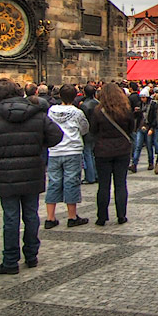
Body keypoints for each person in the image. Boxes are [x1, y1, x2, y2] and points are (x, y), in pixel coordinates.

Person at [0, 79, 64, 274]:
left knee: (10, 217)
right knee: (31, 214)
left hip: (5, 171)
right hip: (32, 169)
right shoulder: (36, 112)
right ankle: (31, 255)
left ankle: (10, 261)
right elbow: (56, 136)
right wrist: (38, 144)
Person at [88, 82, 134, 226]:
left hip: (103, 150)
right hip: (122, 150)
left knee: (103, 185)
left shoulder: (97, 111)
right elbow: (131, 128)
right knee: (120, 184)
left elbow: (93, 130)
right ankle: (121, 215)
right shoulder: (126, 110)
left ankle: (101, 217)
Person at [45, 84, 90, 229]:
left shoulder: (51, 111)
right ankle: (72, 216)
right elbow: (84, 128)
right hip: (72, 149)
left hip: (55, 150)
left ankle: (50, 218)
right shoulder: (77, 112)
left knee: (53, 182)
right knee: (71, 181)